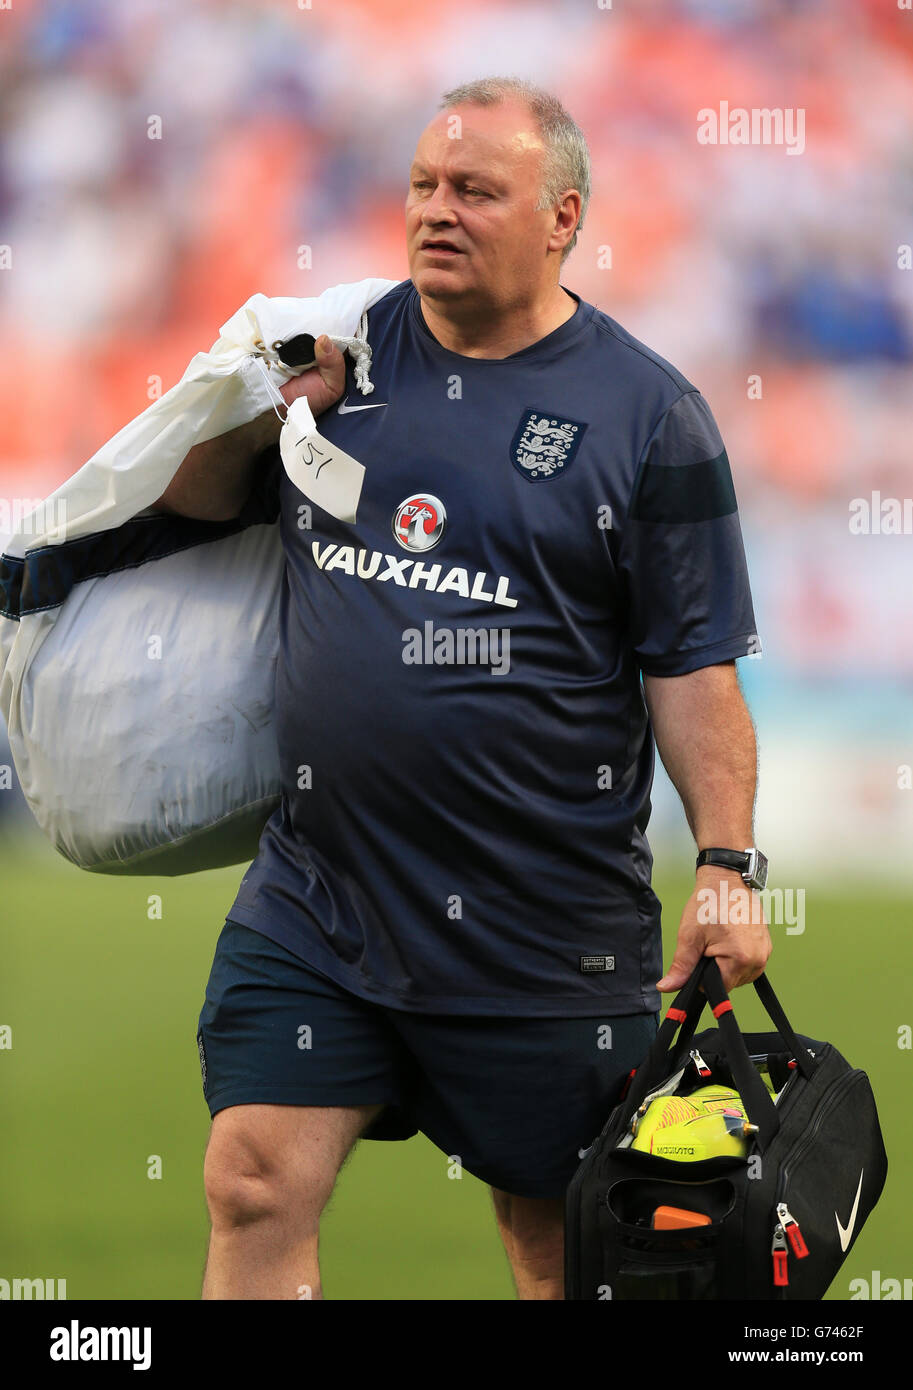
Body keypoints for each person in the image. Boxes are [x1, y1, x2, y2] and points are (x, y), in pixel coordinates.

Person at [156, 75, 771, 1301]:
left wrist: (727, 864)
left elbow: (692, 665)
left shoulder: (648, 416)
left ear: (561, 218)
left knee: (558, 1248)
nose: (437, 211)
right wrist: (262, 409)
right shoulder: (343, 353)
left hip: (540, 923)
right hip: (321, 894)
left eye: (476, 191)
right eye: (424, 187)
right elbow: (187, 504)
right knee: (252, 1178)